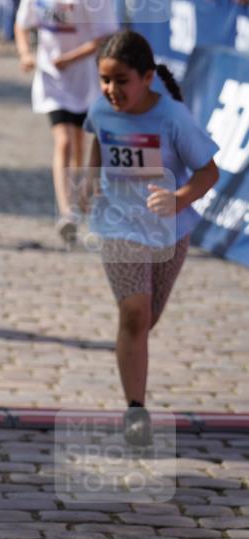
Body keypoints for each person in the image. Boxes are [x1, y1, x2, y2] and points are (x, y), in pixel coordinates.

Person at [83, 30, 219, 445]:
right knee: (135, 316)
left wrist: (178, 199)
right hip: (118, 227)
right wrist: (89, 183)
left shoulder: (173, 118)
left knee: (147, 320)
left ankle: (132, 370)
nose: (111, 90)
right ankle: (135, 411)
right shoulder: (101, 111)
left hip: (169, 233)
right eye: (105, 80)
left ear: (146, 77)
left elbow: (209, 172)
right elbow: (97, 145)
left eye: (121, 80)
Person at [14, 0, 118, 245]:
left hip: (82, 79)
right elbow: (22, 26)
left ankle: (80, 200)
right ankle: (67, 211)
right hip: (51, 79)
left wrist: (73, 57)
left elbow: (104, 37)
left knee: (79, 144)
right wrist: (26, 53)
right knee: (62, 141)